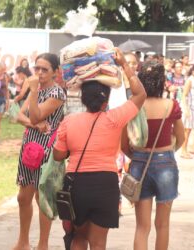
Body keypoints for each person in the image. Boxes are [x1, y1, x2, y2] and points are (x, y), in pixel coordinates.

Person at [53, 48, 146, 250]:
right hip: (106, 183)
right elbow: (140, 94)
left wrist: (70, 148)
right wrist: (124, 65)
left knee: (78, 238)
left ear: (84, 99)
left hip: (78, 184)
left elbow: (58, 155)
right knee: (98, 243)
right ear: (106, 100)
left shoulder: (69, 122)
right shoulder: (114, 118)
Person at [121, 61, 185, 250]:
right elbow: (181, 138)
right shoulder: (171, 105)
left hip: (139, 163)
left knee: (142, 226)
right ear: (162, 81)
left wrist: (136, 155)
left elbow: (123, 144)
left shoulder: (133, 106)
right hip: (165, 163)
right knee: (163, 224)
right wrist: (167, 153)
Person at [13, 53, 66, 250]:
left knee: (42, 197)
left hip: (47, 152)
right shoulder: (36, 90)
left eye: (45, 69)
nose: (40, 73)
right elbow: (18, 116)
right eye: (37, 69)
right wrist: (34, 126)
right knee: (23, 197)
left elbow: (35, 115)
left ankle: (42, 245)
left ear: (55, 72)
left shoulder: (57, 94)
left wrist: (33, 91)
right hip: (29, 149)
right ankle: (23, 241)